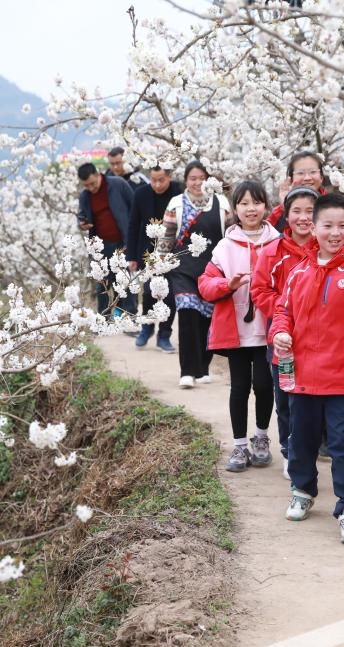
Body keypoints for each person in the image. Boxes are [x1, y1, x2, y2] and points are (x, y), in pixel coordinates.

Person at [269, 193, 344, 544]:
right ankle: (303, 490)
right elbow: (283, 310)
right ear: (314, 228)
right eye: (328, 226)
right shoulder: (299, 271)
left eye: (342, 226)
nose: (335, 233)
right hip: (303, 376)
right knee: (301, 439)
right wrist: (280, 333)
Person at [199, 180, 280, 472]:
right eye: (244, 203)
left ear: (266, 207)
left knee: (264, 383)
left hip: (267, 326)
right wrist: (226, 285)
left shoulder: (278, 243)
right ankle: (239, 445)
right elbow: (205, 285)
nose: (251, 209)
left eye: (256, 202)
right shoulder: (224, 247)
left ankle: (261, 437)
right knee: (240, 387)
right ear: (234, 209)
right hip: (236, 328)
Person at [251, 186, 318, 480]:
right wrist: (287, 311)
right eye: (297, 211)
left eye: (310, 212)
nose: (304, 218)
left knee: (314, 402)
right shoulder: (272, 252)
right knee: (286, 400)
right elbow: (260, 290)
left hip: (320, 344)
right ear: (286, 216)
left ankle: (309, 453)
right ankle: (290, 453)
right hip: (283, 342)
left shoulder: (328, 250)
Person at [160, 161, 231, 388]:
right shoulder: (176, 204)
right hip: (182, 269)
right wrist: (159, 264)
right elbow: (167, 237)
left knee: (207, 319)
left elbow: (230, 236)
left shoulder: (221, 203)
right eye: (193, 178)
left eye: (202, 177)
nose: (197, 182)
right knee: (188, 313)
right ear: (186, 181)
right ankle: (187, 371)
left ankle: (203, 367)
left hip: (212, 270)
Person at [127, 165, 183, 352]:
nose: (157, 184)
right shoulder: (141, 194)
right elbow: (133, 225)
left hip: (174, 250)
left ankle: (164, 335)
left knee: (171, 296)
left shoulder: (179, 191)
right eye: (153, 180)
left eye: (161, 180)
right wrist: (132, 256)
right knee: (149, 293)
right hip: (148, 250)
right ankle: (147, 328)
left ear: (169, 177)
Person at [77, 162, 136, 319]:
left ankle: (130, 317)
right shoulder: (85, 196)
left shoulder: (118, 184)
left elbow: (135, 207)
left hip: (123, 241)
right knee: (102, 283)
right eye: (86, 185)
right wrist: (83, 225)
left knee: (125, 281)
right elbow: (82, 216)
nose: (91, 188)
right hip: (100, 245)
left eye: (92, 183)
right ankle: (102, 319)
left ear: (98, 174)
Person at [266, 150, 344, 238]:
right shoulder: (280, 211)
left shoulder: (338, 208)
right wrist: (285, 207)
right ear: (290, 178)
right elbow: (264, 240)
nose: (307, 178)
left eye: (313, 172)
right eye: (300, 173)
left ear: (321, 177)